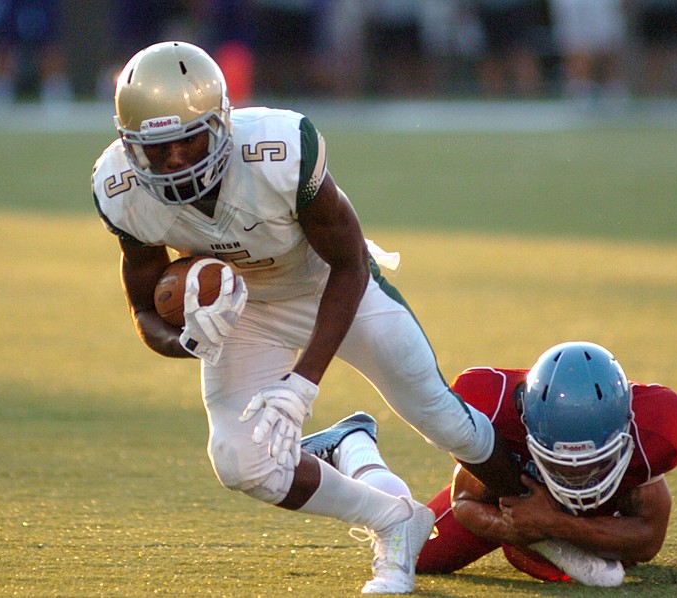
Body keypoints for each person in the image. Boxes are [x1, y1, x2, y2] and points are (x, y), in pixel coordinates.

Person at [91, 41, 503, 594]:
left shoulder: (281, 148)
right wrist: (187, 340)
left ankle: (537, 509)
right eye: (156, 147)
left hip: (332, 289)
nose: (173, 161)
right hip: (246, 312)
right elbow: (146, 309)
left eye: (187, 139)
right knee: (241, 461)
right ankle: (395, 520)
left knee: (444, 420)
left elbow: (351, 263)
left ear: (221, 123)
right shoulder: (119, 189)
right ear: (129, 146)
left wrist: (302, 384)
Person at [303, 342, 677, 586]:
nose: (575, 474)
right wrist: (513, 525)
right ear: (526, 420)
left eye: (590, 462)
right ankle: (354, 444)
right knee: (422, 556)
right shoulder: (492, 409)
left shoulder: (655, 429)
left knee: (614, 559)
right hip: (509, 500)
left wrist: (553, 524)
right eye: (561, 461)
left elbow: (648, 539)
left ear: (625, 425)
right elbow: (465, 501)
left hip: (545, 514)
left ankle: (548, 541)